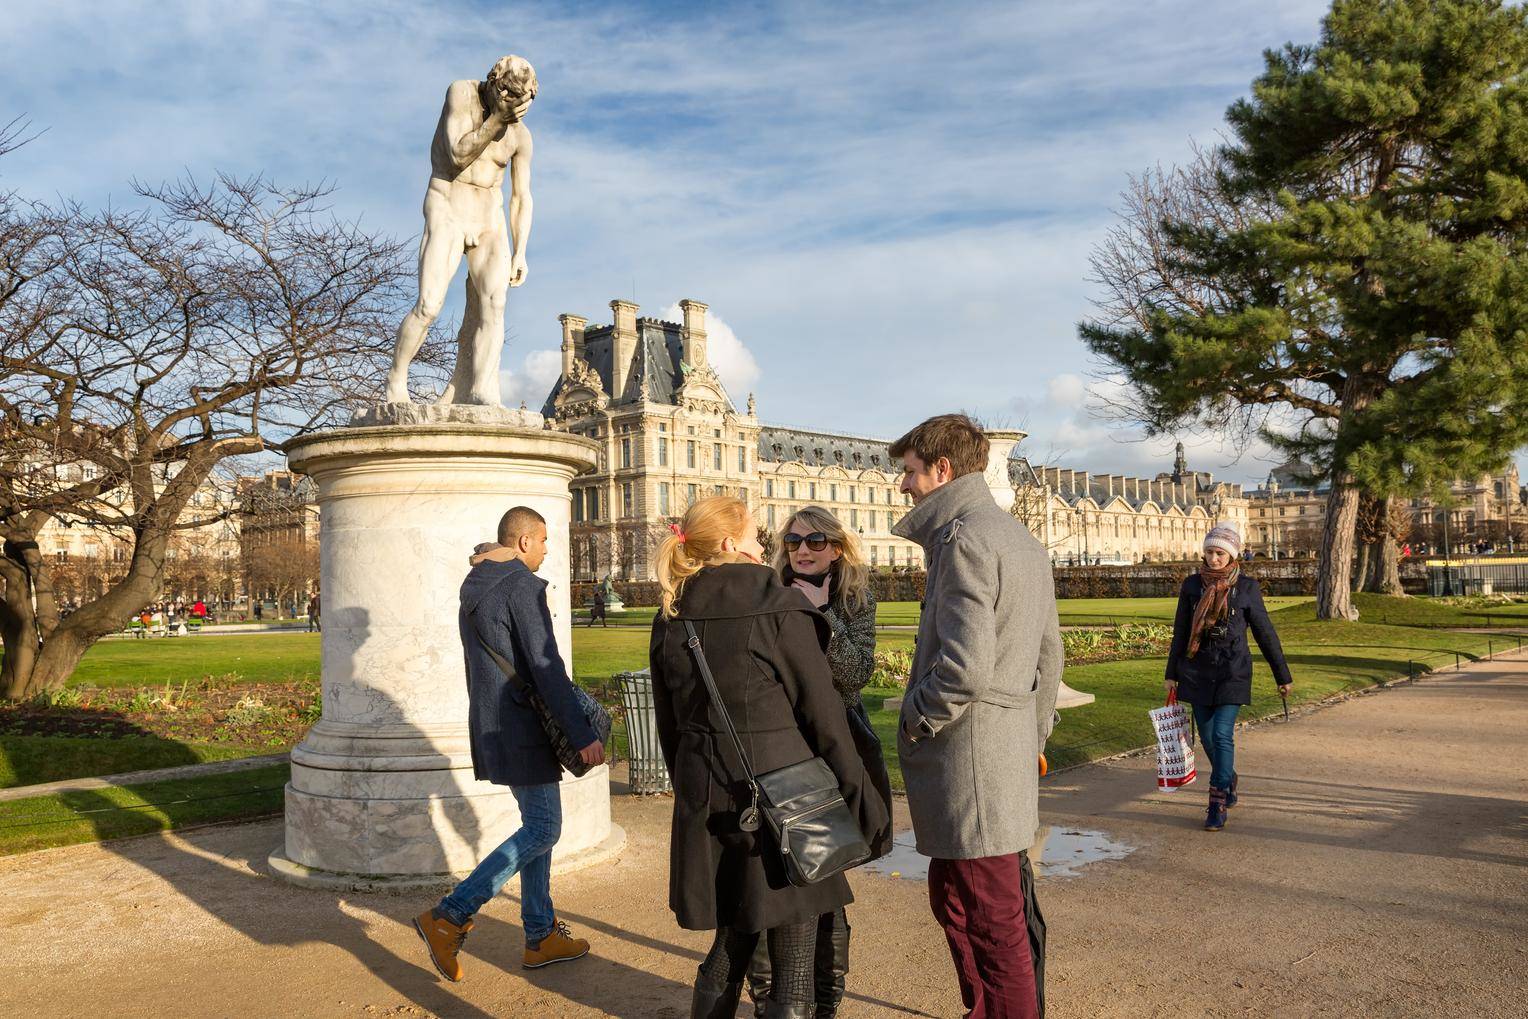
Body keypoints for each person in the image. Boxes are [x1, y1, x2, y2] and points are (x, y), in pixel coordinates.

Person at [649, 496, 891, 1019]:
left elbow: (670, 726)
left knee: (731, 941)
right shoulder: (777, 603)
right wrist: (863, 801)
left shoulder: (672, 609)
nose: (765, 544)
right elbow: (825, 722)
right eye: (758, 534)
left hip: (707, 793)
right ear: (732, 542)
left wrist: (692, 793)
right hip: (791, 798)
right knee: (794, 963)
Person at [888, 414, 1064, 1019]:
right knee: (960, 901)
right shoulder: (1019, 538)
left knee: (992, 921)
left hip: (969, 758)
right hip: (997, 752)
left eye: (910, 472)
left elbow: (964, 668)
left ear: (942, 470)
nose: (903, 486)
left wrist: (915, 715)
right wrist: (1029, 736)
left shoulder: (964, 539)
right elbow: (1050, 654)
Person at [413, 506, 604, 982]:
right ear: (524, 542)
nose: (545, 552)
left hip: (496, 722)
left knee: (537, 826)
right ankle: (450, 915)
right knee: (544, 829)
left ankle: (540, 935)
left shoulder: (476, 585)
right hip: (523, 728)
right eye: (543, 542)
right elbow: (546, 666)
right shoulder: (519, 584)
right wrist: (582, 734)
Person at [742, 506, 893, 1018]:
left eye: (815, 541)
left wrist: (819, 613)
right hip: (780, 748)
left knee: (825, 873)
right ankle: (770, 999)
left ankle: (823, 1002)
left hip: (832, 750)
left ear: (836, 547)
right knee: (771, 876)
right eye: (793, 542)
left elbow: (854, 678)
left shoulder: (853, 597)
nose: (802, 550)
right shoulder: (766, 592)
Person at [385, 55, 537, 406]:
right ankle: (397, 379)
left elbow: (521, 197)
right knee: (429, 305)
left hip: (489, 217)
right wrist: (496, 120)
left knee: (494, 306)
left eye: (526, 101)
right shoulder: (460, 94)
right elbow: (456, 155)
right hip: (448, 206)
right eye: (512, 98)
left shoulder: (521, 136)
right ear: (495, 85)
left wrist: (521, 250)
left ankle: (482, 388)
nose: (518, 108)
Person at [1164, 525, 1293, 831]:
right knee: (1208, 738)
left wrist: (1282, 675)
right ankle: (1228, 776)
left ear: (1232, 554)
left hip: (1233, 670)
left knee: (1222, 734)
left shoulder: (1246, 588)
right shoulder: (1192, 585)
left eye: (1219, 552)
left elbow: (1265, 632)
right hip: (1197, 671)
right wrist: (1172, 673)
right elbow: (1181, 631)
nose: (1214, 558)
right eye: (1209, 551)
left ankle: (1217, 800)